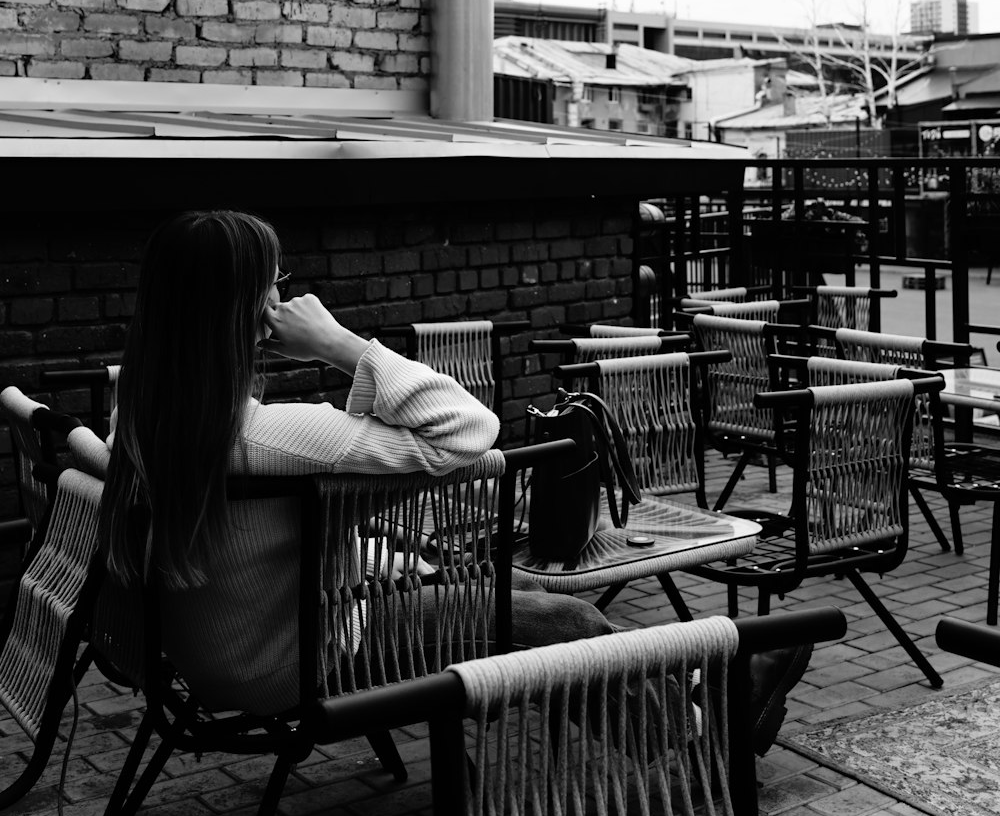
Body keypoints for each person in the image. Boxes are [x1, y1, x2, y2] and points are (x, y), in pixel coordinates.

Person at [98, 208, 809, 745]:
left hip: (231, 650)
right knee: (564, 619)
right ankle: (698, 726)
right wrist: (342, 344)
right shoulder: (263, 433)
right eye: (274, 287)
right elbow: (470, 431)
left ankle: (682, 683)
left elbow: (321, 471)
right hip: (299, 657)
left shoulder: (146, 415)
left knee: (510, 587)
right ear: (245, 310)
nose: (284, 302)